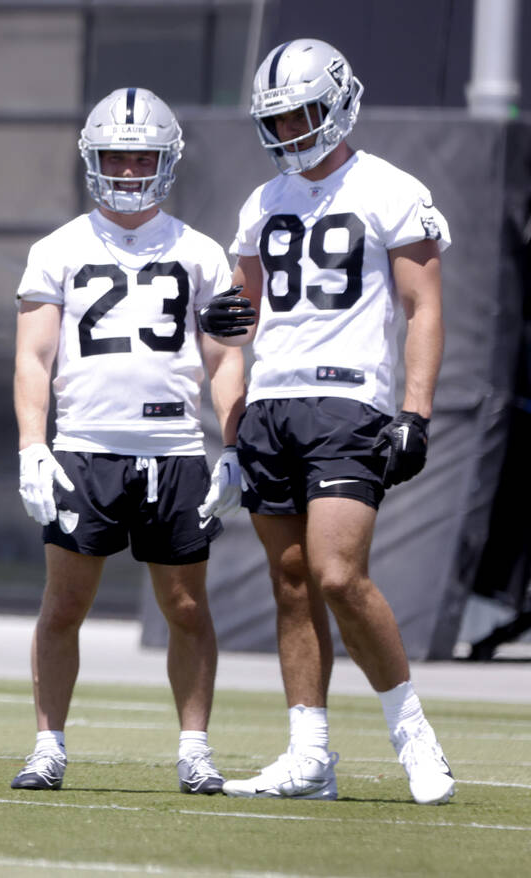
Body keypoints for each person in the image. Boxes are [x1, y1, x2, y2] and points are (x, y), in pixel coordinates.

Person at [201, 38, 455, 805]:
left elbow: (424, 308)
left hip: (350, 400)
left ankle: (413, 733)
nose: (293, 128)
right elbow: (238, 327)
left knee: (339, 574)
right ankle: (309, 754)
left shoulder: (389, 188)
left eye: (305, 111)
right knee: (290, 582)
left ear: (340, 100)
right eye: (279, 117)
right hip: (273, 404)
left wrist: (415, 411)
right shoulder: (260, 203)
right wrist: (231, 417)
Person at [11, 88, 247, 795]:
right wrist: (32, 446)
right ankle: (48, 744)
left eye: (142, 156)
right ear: (91, 158)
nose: (129, 168)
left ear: (168, 160)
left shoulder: (202, 252)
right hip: (84, 446)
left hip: (173, 447)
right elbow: (33, 358)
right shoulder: (56, 249)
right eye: (116, 155)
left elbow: (227, 357)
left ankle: (196, 748)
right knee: (64, 605)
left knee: (186, 608)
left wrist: (231, 445)